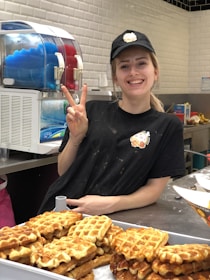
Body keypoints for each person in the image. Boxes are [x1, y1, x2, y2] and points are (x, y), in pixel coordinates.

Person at [38, 30, 185, 215]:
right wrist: (76, 138)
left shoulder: (166, 127)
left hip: (115, 220)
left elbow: (154, 190)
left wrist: (111, 204)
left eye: (141, 63)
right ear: (115, 77)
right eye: (124, 66)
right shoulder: (91, 111)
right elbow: (63, 171)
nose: (133, 72)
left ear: (155, 72)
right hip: (62, 212)